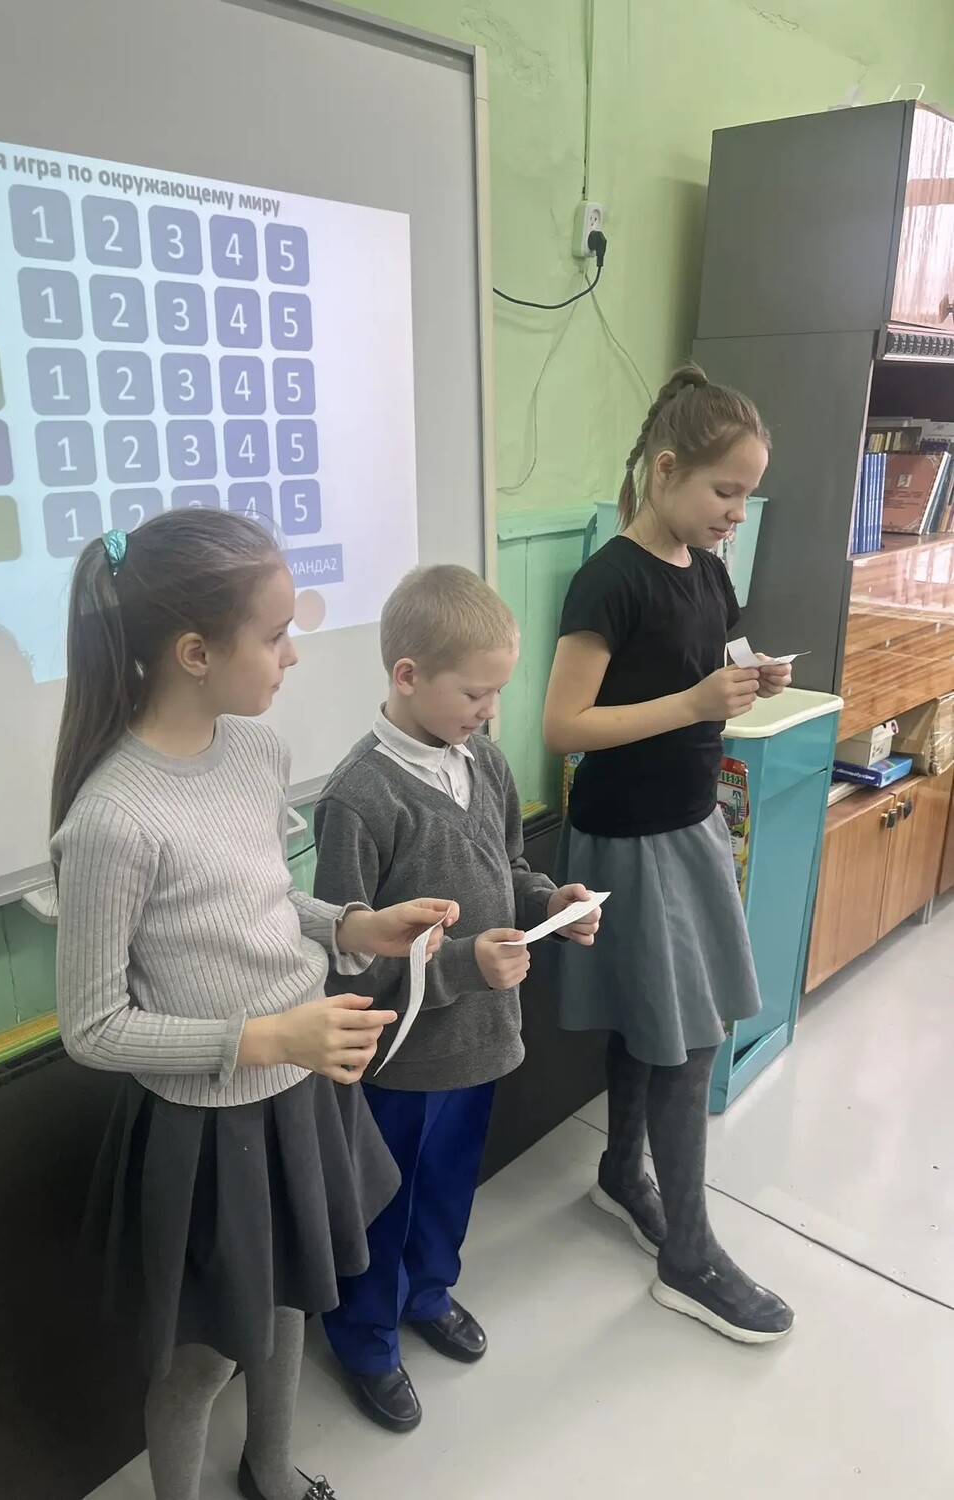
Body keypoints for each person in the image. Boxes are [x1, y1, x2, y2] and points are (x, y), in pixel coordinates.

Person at [50, 510, 460, 1500]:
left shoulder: (255, 752)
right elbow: (93, 1027)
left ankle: (271, 1474)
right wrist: (272, 1034)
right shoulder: (112, 819)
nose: (293, 654)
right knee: (201, 1363)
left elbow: (266, 901)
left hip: (297, 1094)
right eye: (274, 636)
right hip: (207, 1130)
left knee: (287, 1310)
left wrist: (356, 927)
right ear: (195, 653)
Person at [312, 565, 601, 1433]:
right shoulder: (357, 798)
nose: (489, 711)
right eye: (475, 693)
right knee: (383, 1204)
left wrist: (547, 902)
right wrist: (467, 966)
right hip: (400, 1065)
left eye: (497, 692)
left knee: (445, 1189)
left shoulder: (484, 760)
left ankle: (428, 1294)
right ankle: (366, 1340)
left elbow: (504, 868)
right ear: (407, 676)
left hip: (479, 1042)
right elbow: (349, 967)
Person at [543, 363, 795, 1344]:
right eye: (724, 491)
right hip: (629, 838)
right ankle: (686, 1258)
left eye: (747, 495)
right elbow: (565, 725)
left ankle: (619, 1171)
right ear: (663, 470)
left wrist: (751, 676)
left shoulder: (708, 569)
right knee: (685, 1041)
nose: (736, 512)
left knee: (660, 1021)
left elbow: (712, 661)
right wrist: (691, 705)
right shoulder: (609, 580)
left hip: (691, 825)